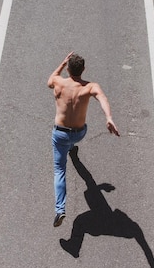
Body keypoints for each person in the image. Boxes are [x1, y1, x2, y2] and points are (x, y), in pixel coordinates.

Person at [47, 51, 120, 227]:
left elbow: (50, 80)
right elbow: (102, 98)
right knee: (72, 143)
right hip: (79, 132)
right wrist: (109, 117)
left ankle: (60, 209)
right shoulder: (89, 87)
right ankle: (72, 147)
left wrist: (62, 63)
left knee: (59, 170)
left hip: (60, 134)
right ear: (84, 69)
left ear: (68, 69)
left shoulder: (59, 82)